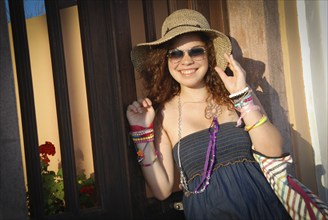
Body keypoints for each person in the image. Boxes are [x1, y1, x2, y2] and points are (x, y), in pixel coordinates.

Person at [126, 9, 291, 219]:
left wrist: (243, 97)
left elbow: (274, 150)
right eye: (175, 53)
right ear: (165, 61)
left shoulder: (236, 94)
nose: (186, 61)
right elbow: (162, 189)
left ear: (209, 54)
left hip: (262, 207)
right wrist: (141, 134)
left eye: (196, 51)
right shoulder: (164, 115)